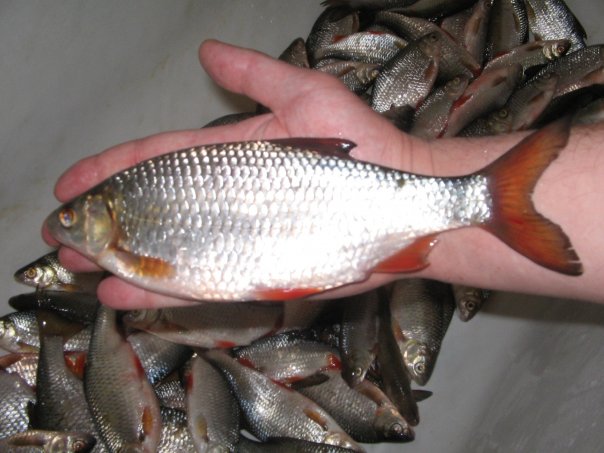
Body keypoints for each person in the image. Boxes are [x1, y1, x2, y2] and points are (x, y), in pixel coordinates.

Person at [43, 40, 604, 309]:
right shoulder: (127, 235)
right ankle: (481, 198)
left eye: (71, 219)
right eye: (70, 219)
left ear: (100, 215)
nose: (65, 227)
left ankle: (480, 198)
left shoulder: (128, 241)